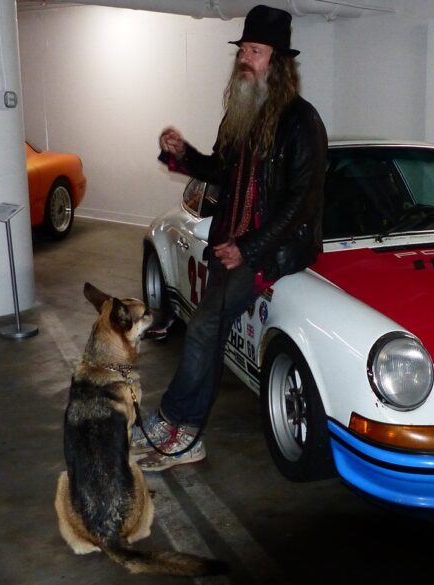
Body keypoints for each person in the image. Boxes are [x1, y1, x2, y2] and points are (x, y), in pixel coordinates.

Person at [132, 4, 327, 472]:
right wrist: (181, 156)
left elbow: (301, 203)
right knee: (208, 334)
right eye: (242, 50)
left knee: (201, 330)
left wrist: (251, 248)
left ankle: (178, 423)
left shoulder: (302, 122)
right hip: (229, 244)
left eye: (255, 51)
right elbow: (219, 171)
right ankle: (184, 425)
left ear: (276, 63)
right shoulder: (241, 111)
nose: (244, 59)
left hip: (267, 253)